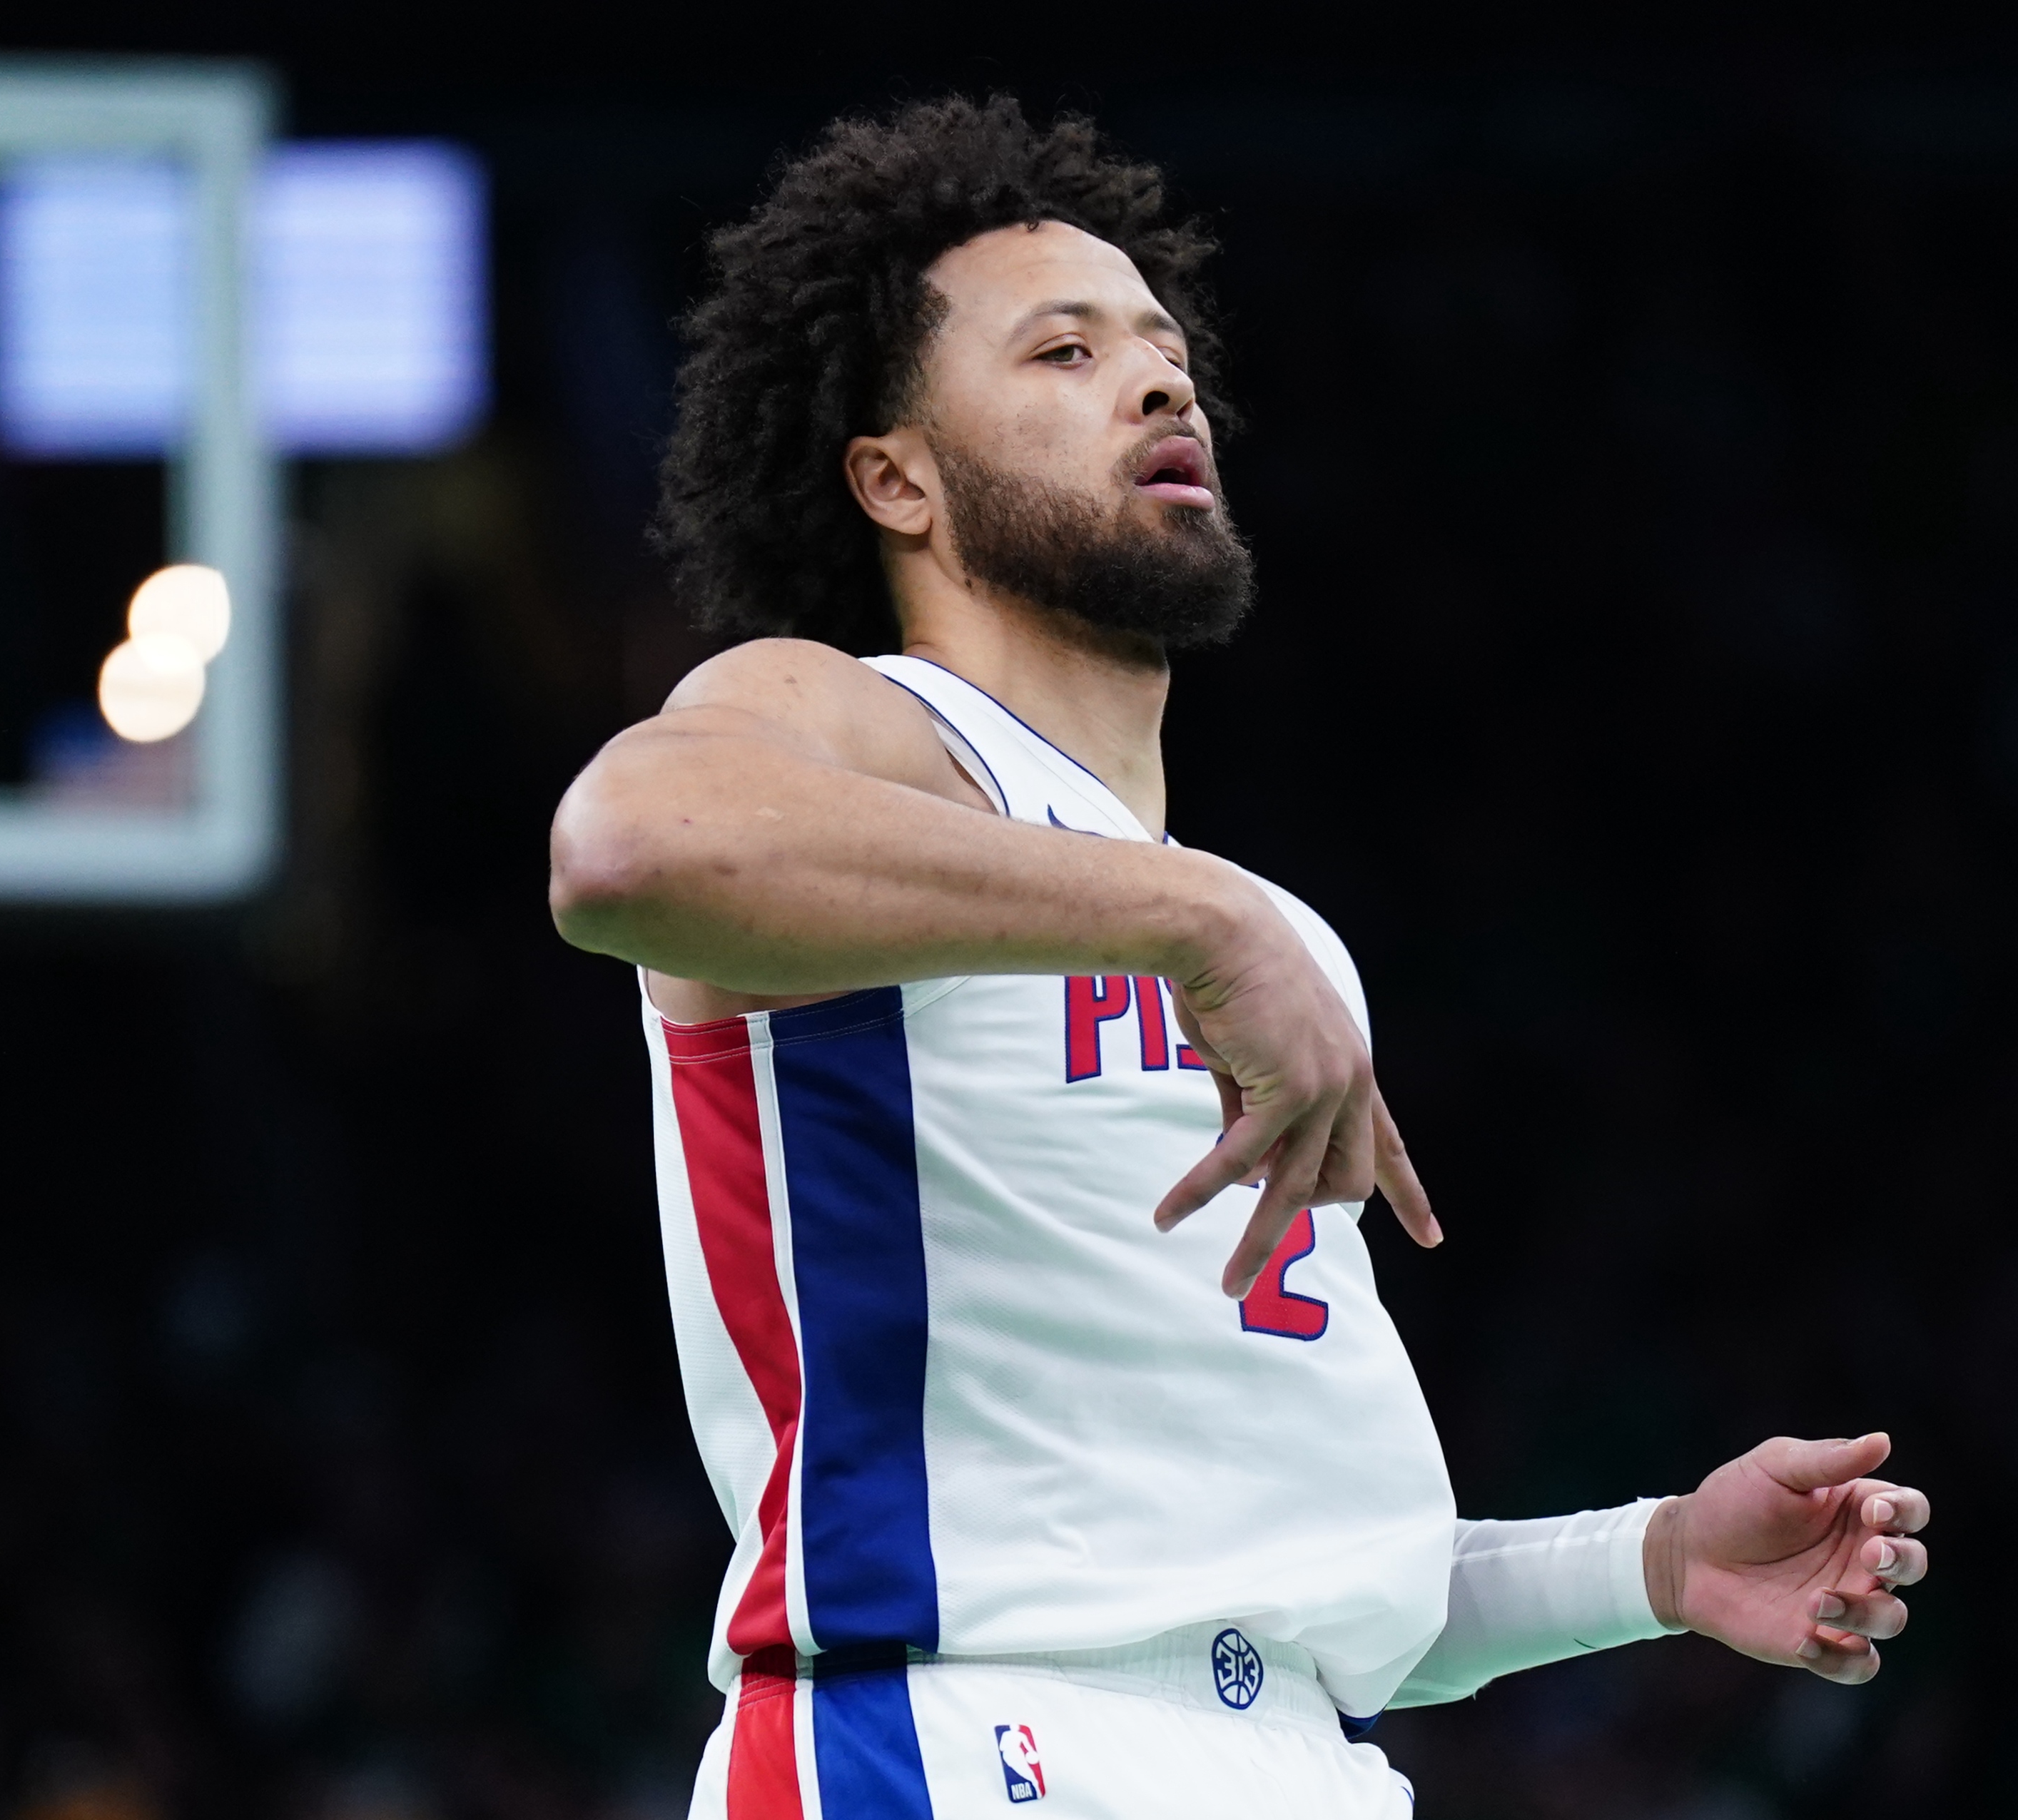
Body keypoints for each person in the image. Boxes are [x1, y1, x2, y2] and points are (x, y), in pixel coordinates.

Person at [547, 96, 1932, 1820]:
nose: (1157, 384)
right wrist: (1190, 915)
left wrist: (1651, 1562)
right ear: (896, 478)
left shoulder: (1271, 942)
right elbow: (628, 847)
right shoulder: (869, 733)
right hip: (949, 1741)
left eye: (1164, 349)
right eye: (1063, 351)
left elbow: (1291, 1594)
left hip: (1292, 1760)